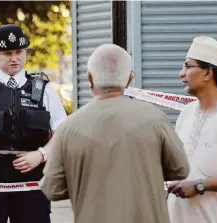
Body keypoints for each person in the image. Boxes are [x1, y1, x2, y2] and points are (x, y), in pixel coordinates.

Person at [40, 43, 190, 223]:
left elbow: (52, 188)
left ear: (89, 78)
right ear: (128, 79)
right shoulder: (155, 119)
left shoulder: (70, 127)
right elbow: (181, 169)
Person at [0, 24, 67, 223]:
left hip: (32, 187)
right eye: (7, 53)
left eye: (19, 52)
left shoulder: (42, 90)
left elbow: (65, 132)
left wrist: (41, 154)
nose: (15, 58)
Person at [167, 36, 217, 223]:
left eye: (188, 66)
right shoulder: (187, 112)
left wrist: (201, 185)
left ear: (208, 73)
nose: (181, 73)